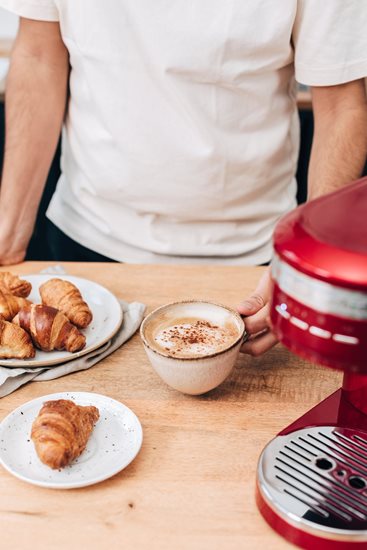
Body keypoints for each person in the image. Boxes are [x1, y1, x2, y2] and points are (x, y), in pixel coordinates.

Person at [0, 1, 367, 357]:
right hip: (86, 249)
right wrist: (9, 235)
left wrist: (303, 272)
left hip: (251, 264)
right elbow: (38, 57)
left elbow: (341, 104)